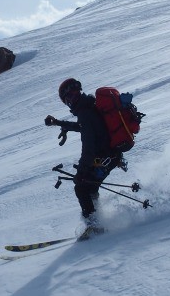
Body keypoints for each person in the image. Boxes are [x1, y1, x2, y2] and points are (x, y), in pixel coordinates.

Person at [45, 78, 122, 237]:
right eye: (67, 100)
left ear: (76, 93)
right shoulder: (88, 107)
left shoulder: (85, 112)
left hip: (105, 157)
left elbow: (88, 147)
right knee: (89, 187)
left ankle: (95, 226)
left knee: (81, 187)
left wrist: (81, 171)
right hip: (109, 155)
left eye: (70, 98)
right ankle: (98, 221)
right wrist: (59, 123)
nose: (69, 102)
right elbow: (83, 128)